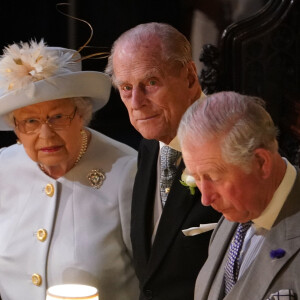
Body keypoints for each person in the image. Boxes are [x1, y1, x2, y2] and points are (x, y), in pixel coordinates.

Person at [0, 40, 139, 300]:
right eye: (30, 121)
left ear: (82, 115)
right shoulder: (2, 169)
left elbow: (153, 279)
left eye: (58, 117)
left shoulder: (127, 172)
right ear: (16, 128)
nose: (46, 134)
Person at [105, 22, 221, 300]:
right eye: (125, 87)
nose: (136, 102)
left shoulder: (229, 143)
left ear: (191, 77)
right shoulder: (149, 145)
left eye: (151, 83)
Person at [178, 91, 300, 300]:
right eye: (197, 177)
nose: (205, 199)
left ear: (261, 163)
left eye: (214, 177)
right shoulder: (236, 216)